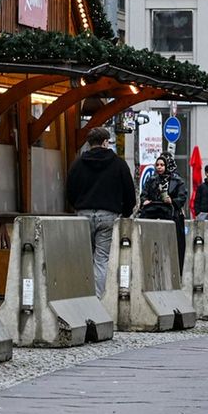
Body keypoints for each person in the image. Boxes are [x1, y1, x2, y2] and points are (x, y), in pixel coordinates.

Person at [64, 127, 137, 297]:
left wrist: (78, 206)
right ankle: (97, 300)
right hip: (108, 216)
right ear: (105, 142)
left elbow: (69, 190)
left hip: (83, 215)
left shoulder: (78, 163)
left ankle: (83, 297)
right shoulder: (118, 164)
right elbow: (129, 192)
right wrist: (125, 213)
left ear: (90, 143)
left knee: (84, 258)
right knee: (101, 259)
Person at [139, 152, 189, 270]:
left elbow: (182, 197)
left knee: (175, 244)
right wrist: (145, 201)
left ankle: (175, 268)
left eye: (162, 165)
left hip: (171, 216)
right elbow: (144, 194)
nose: (159, 167)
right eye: (158, 165)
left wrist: (172, 201)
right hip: (152, 215)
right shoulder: (151, 180)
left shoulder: (177, 181)